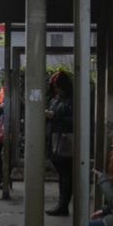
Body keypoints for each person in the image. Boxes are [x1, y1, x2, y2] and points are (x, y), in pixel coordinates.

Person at [45, 71, 74, 216]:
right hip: (56, 139)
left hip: (65, 140)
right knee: (63, 175)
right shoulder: (57, 99)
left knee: (66, 175)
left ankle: (63, 204)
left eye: (57, 87)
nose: (56, 90)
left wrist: (54, 116)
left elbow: (76, 120)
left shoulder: (71, 100)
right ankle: (62, 203)